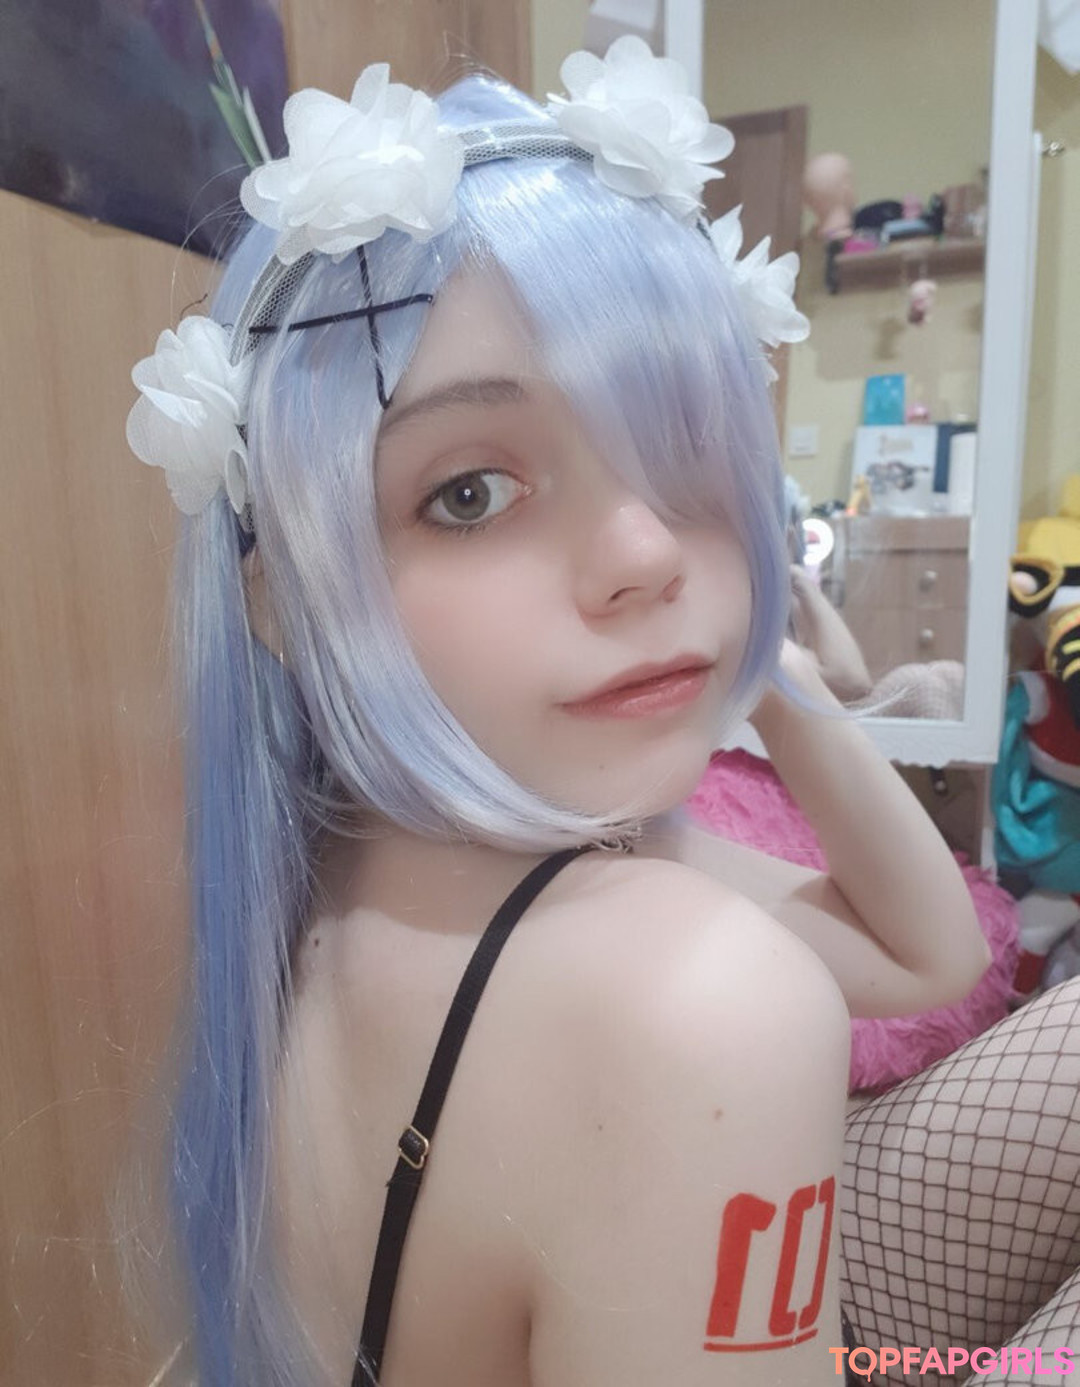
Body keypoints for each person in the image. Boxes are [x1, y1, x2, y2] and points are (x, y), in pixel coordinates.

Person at [127, 40, 1073, 1387]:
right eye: (471, 494)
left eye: (681, 446)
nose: (646, 550)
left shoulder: (366, 863)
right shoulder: (692, 994)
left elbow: (927, 956)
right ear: (285, 594)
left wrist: (776, 678)